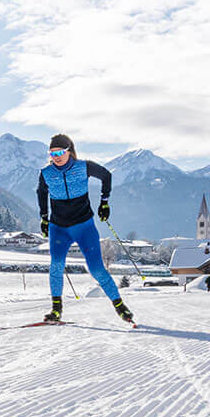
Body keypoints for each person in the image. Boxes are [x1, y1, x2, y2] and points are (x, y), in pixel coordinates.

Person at [36, 133, 134, 325]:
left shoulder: (83, 167)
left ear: (70, 151)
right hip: (59, 229)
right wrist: (44, 218)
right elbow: (41, 193)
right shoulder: (46, 173)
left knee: (96, 269)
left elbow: (106, 175)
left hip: (84, 227)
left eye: (60, 152)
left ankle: (120, 305)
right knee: (56, 266)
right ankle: (56, 310)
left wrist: (104, 202)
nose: (56, 157)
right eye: (52, 153)